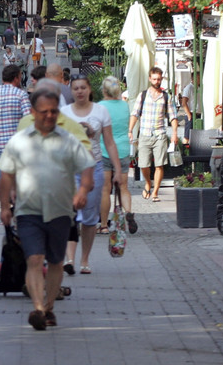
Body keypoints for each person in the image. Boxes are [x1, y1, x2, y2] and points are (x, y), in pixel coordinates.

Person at [0, 86, 94, 331]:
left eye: (53, 112)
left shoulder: (68, 140)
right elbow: (6, 176)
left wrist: (83, 191)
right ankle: (38, 308)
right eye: (44, 112)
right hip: (28, 210)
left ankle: (49, 306)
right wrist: (4, 207)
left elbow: (87, 165)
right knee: (34, 258)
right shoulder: (19, 141)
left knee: (55, 262)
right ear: (33, 112)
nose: (49, 116)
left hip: (61, 210)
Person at [63, 74, 124, 275]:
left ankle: (85, 259)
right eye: (75, 88)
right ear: (71, 91)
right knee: (70, 214)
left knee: (89, 217)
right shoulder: (64, 113)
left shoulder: (101, 111)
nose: (79, 91)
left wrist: (117, 168)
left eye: (83, 87)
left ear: (89, 89)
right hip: (70, 169)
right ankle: (69, 258)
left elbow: (109, 142)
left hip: (95, 167)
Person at [129, 67, 179, 202]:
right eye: (154, 79)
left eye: (159, 79)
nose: (157, 81)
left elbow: (173, 117)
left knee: (159, 165)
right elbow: (135, 113)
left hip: (160, 134)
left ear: (161, 79)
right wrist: (130, 130)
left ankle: (155, 192)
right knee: (143, 164)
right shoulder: (143, 95)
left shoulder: (166, 96)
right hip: (144, 134)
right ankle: (148, 183)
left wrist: (174, 133)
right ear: (150, 79)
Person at [98, 76, 133, 232]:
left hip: (105, 150)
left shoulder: (100, 107)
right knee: (123, 187)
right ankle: (129, 213)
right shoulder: (125, 106)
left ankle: (104, 225)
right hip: (123, 149)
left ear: (104, 90)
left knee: (106, 189)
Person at [0, 65, 32, 165]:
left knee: (4, 177)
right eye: (20, 76)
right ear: (16, 78)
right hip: (18, 146)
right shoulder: (21, 95)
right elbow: (28, 120)